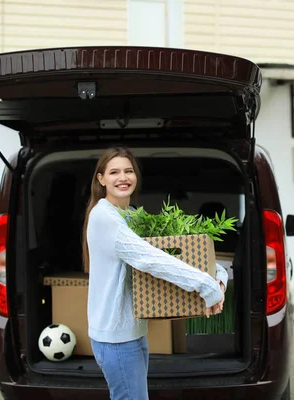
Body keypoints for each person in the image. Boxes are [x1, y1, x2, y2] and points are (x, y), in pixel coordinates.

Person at [81, 147, 227, 400]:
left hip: (131, 333)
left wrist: (217, 275)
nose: (122, 177)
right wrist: (206, 285)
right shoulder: (105, 217)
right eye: (114, 172)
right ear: (101, 179)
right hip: (116, 339)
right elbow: (150, 259)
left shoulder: (130, 215)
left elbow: (177, 251)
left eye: (128, 171)